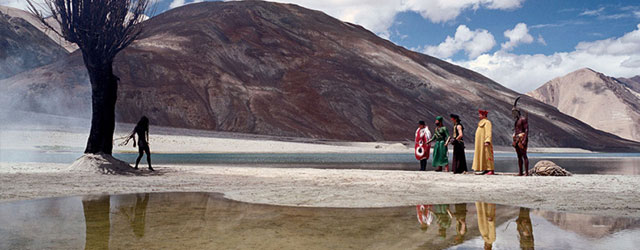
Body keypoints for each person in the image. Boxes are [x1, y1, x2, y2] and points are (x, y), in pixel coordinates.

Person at [472, 110, 494, 175]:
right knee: (483, 155)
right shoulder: (481, 123)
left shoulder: (487, 122)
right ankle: (485, 168)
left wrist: (487, 140)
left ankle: (490, 169)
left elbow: (488, 132)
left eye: (480, 114)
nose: (479, 116)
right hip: (480, 142)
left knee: (487, 155)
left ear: (484, 115)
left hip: (485, 142)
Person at [512, 97, 529, 176]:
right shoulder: (516, 121)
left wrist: (524, 139)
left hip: (522, 138)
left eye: (514, 113)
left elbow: (526, 130)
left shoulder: (523, 119)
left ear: (517, 112)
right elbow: (516, 130)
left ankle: (526, 172)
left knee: (524, 155)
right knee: (519, 156)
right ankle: (520, 172)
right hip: (516, 139)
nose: (513, 114)